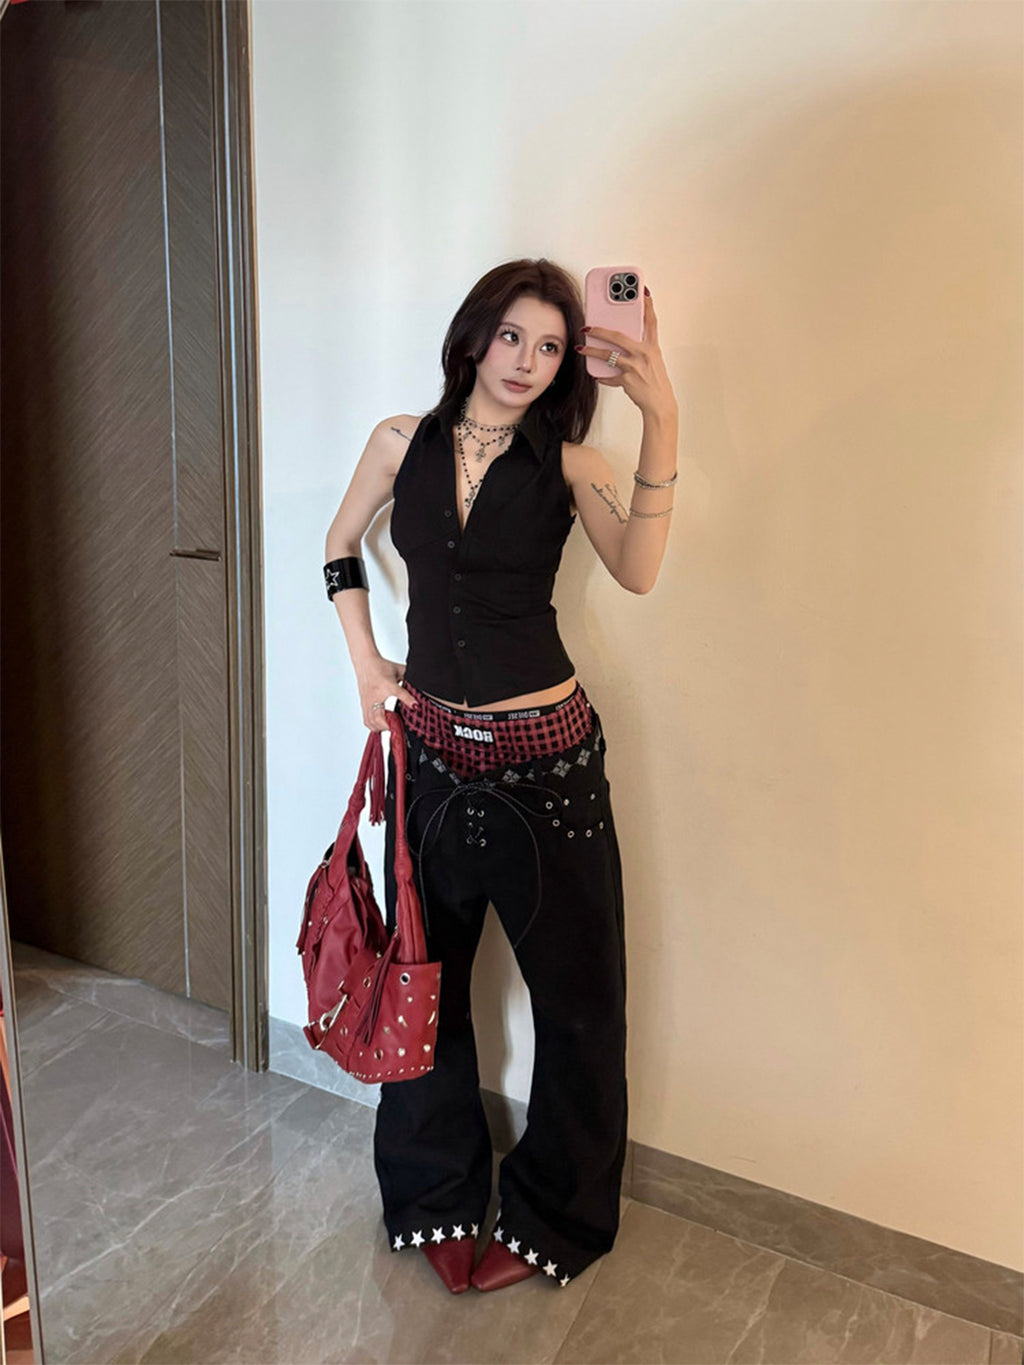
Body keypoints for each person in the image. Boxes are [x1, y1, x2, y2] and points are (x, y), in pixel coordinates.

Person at [323, 258, 678, 1294]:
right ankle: (433, 1192)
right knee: (422, 990)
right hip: (429, 758)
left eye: (551, 346)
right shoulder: (400, 443)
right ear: (474, 336)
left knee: (578, 1008)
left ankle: (554, 1216)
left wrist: (661, 417)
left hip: (547, 769)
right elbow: (340, 547)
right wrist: (366, 665)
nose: (527, 360)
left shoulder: (569, 464)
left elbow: (639, 571)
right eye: (512, 335)